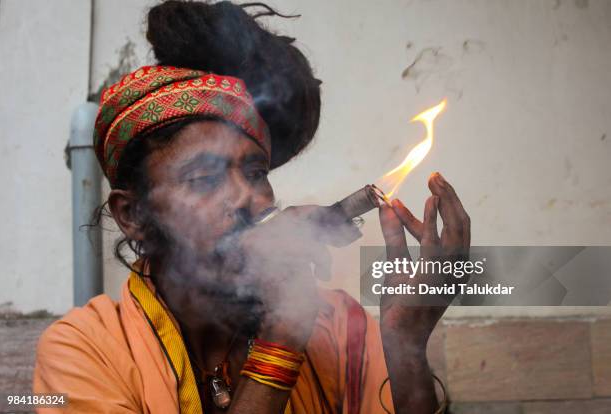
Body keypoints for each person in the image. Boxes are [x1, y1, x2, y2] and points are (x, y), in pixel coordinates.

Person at [33, 1, 470, 413]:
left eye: (256, 172)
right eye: (204, 179)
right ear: (133, 216)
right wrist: (282, 337)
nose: (248, 198)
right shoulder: (82, 349)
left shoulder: (337, 323)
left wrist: (406, 341)